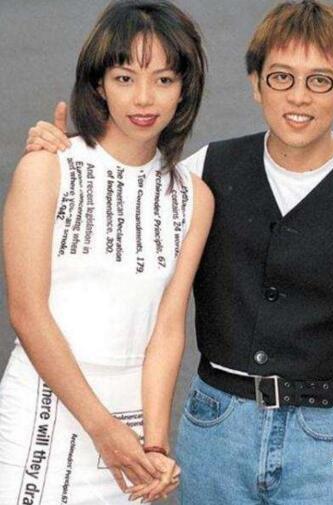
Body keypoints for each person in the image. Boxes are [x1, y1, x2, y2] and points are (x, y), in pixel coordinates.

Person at [24, 1, 333, 504]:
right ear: (256, 84)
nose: (299, 97)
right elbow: (128, 197)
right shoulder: (207, 169)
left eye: (320, 81)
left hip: (323, 439)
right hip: (215, 428)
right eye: (281, 78)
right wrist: (70, 152)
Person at [0, 1, 213, 504]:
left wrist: (155, 444)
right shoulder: (47, 168)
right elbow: (27, 313)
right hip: (45, 414)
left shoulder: (193, 197)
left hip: (132, 427)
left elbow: (167, 329)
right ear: (98, 84)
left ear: (184, 89)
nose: (144, 98)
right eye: (124, 78)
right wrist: (101, 428)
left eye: (164, 80)